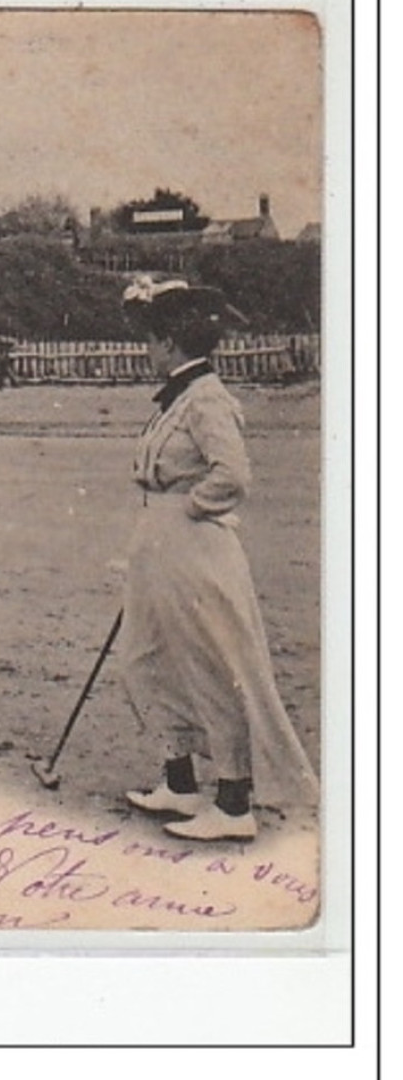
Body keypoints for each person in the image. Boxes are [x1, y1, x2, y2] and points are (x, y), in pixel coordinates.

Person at [116, 277, 318, 842]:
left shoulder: (206, 399)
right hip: (162, 543)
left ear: (171, 344)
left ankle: (233, 805)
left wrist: (188, 511)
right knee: (145, 658)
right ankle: (180, 781)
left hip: (194, 546)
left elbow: (232, 475)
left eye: (153, 341)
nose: (148, 351)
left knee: (211, 665)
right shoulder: (182, 396)